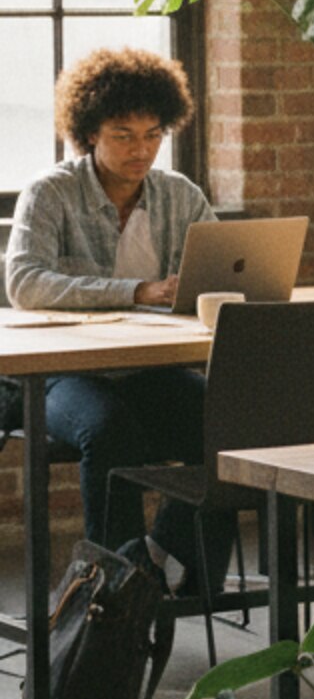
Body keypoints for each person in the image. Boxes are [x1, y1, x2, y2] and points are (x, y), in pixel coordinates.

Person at [5, 47, 232, 583]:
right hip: (61, 375)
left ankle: (159, 557)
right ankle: (107, 593)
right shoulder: (50, 194)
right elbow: (25, 283)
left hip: (149, 369)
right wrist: (138, 291)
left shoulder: (180, 195)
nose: (142, 149)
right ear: (89, 133)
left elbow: (223, 267)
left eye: (153, 134)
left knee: (231, 423)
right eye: (123, 135)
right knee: (109, 433)